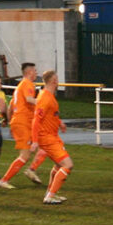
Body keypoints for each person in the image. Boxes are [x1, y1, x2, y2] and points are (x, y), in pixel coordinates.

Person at [0, 62, 43, 188]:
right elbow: (29, 99)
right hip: (23, 122)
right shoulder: (28, 84)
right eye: (35, 70)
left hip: (21, 122)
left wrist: (10, 121)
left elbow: (10, 107)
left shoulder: (19, 87)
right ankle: (4, 180)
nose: (36, 73)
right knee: (25, 155)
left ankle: (32, 170)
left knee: (42, 146)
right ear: (29, 72)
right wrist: (43, 102)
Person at [29, 70, 71, 205]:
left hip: (52, 136)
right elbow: (36, 120)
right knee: (67, 165)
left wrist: (60, 122)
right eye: (57, 79)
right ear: (53, 81)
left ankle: (50, 192)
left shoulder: (47, 96)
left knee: (59, 164)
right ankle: (50, 196)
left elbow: (51, 115)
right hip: (47, 137)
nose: (58, 81)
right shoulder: (45, 98)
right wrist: (35, 140)